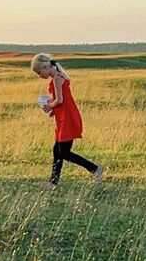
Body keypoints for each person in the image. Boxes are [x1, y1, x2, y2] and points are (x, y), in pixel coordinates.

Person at [31, 53, 104, 188]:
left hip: (67, 118)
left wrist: (49, 106)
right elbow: (59, 99)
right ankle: (53, 182)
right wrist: (51, 104)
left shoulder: (56, 79)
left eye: (39, 72)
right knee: (57, 150)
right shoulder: (58, 77)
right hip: (63, 116)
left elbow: (60, 100)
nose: (39, 75)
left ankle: (95, 169)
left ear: (46, 67)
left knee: (63, 152)